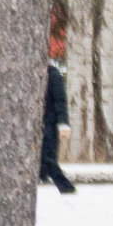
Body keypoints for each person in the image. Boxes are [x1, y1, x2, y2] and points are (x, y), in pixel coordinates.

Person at [42, 25, 76, 195]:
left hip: (49, 123)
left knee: (47, 157)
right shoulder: (49, 75)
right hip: (43, 123)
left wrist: (63, 123)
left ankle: (66, 187)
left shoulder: (54, 76)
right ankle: (45, 178)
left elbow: (60, 102)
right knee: (45, 158)